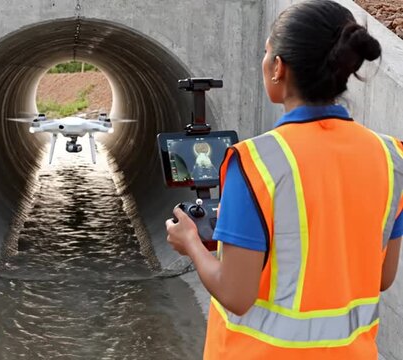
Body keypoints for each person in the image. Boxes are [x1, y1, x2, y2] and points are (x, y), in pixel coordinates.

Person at [166, 1, 403, 359]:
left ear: (278, 67)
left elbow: (236, 294)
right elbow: (382, 277)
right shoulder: (391, 157)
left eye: (266, 54)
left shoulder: (254, 163)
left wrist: (192, 244)